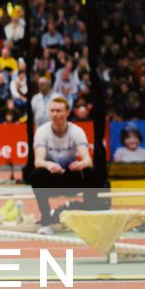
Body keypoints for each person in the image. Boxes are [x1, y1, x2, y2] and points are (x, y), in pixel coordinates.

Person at [31, 94, 96, 232]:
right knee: (36, 174)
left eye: (58, 111)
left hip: (70, 176)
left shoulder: (77, 131)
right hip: (52, 177)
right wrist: (49, 165)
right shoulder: (42, 131)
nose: (54, 114)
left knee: (91, 173)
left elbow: (88, 160)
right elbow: (38, 161)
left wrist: (81, 164)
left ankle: (89, 218)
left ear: (67, 112)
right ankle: (47, 221)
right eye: (52, 111)